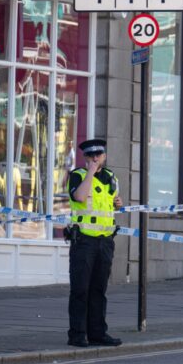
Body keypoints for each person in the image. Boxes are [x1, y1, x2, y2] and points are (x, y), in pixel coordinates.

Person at [66, 138, 123, 348]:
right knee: (80, 289)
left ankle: (98, 333)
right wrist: (90, 172)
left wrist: (118, 203)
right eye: (91, 156)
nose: (95, 158)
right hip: (84, 241)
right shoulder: (77, 176)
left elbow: (110, 205)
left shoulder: (111, 178)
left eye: (98, 155)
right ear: (85, 158)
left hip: (105, 241)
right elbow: (80, 197)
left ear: (104, 156)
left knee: (99, 290)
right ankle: (77, 334)